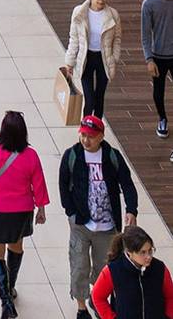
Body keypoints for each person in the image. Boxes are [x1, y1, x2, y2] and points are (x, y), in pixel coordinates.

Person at [0, 110, 50, 319]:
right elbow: (38, 183)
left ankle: (6, 302)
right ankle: (10, 286)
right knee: (16, 248)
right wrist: (41, 208)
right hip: (21, 211)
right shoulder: (31, 155)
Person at [59, 115, 138, 319]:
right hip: (81, 225)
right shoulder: (72, 156)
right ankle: (81, 307)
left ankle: (97, 298)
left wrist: (131, 209)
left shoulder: (113, 157)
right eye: (83, 135)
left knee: (105, 269)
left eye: (91, 136)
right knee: (79, 265)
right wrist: (71, 211)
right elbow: (63, 185)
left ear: (101, 136)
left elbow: (127, 185)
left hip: (108, 227)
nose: (86, 140)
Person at [62, 0, 121, 120]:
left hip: (104, 59)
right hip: (86, 58)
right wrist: (69, 62)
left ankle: (97, 130)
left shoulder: (113, 14)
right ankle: (85, 129)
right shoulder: (79, 12)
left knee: (99, 97)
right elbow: (74, 38)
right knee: (90, 99)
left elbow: (117, 39)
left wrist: (114, 57)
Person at [89, 226, 173, 319]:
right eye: (143, 252)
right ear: (129, 252)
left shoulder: (160, 268)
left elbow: (170, 296)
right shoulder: (113, 270)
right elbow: (97, 297)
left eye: (150, 250)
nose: (148, 256)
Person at [141, 0, 173, 137]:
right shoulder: (149, 4)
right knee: (158, 90)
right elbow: (145, 34)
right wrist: (149, 59)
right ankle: (162, 118)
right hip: (159, 55)